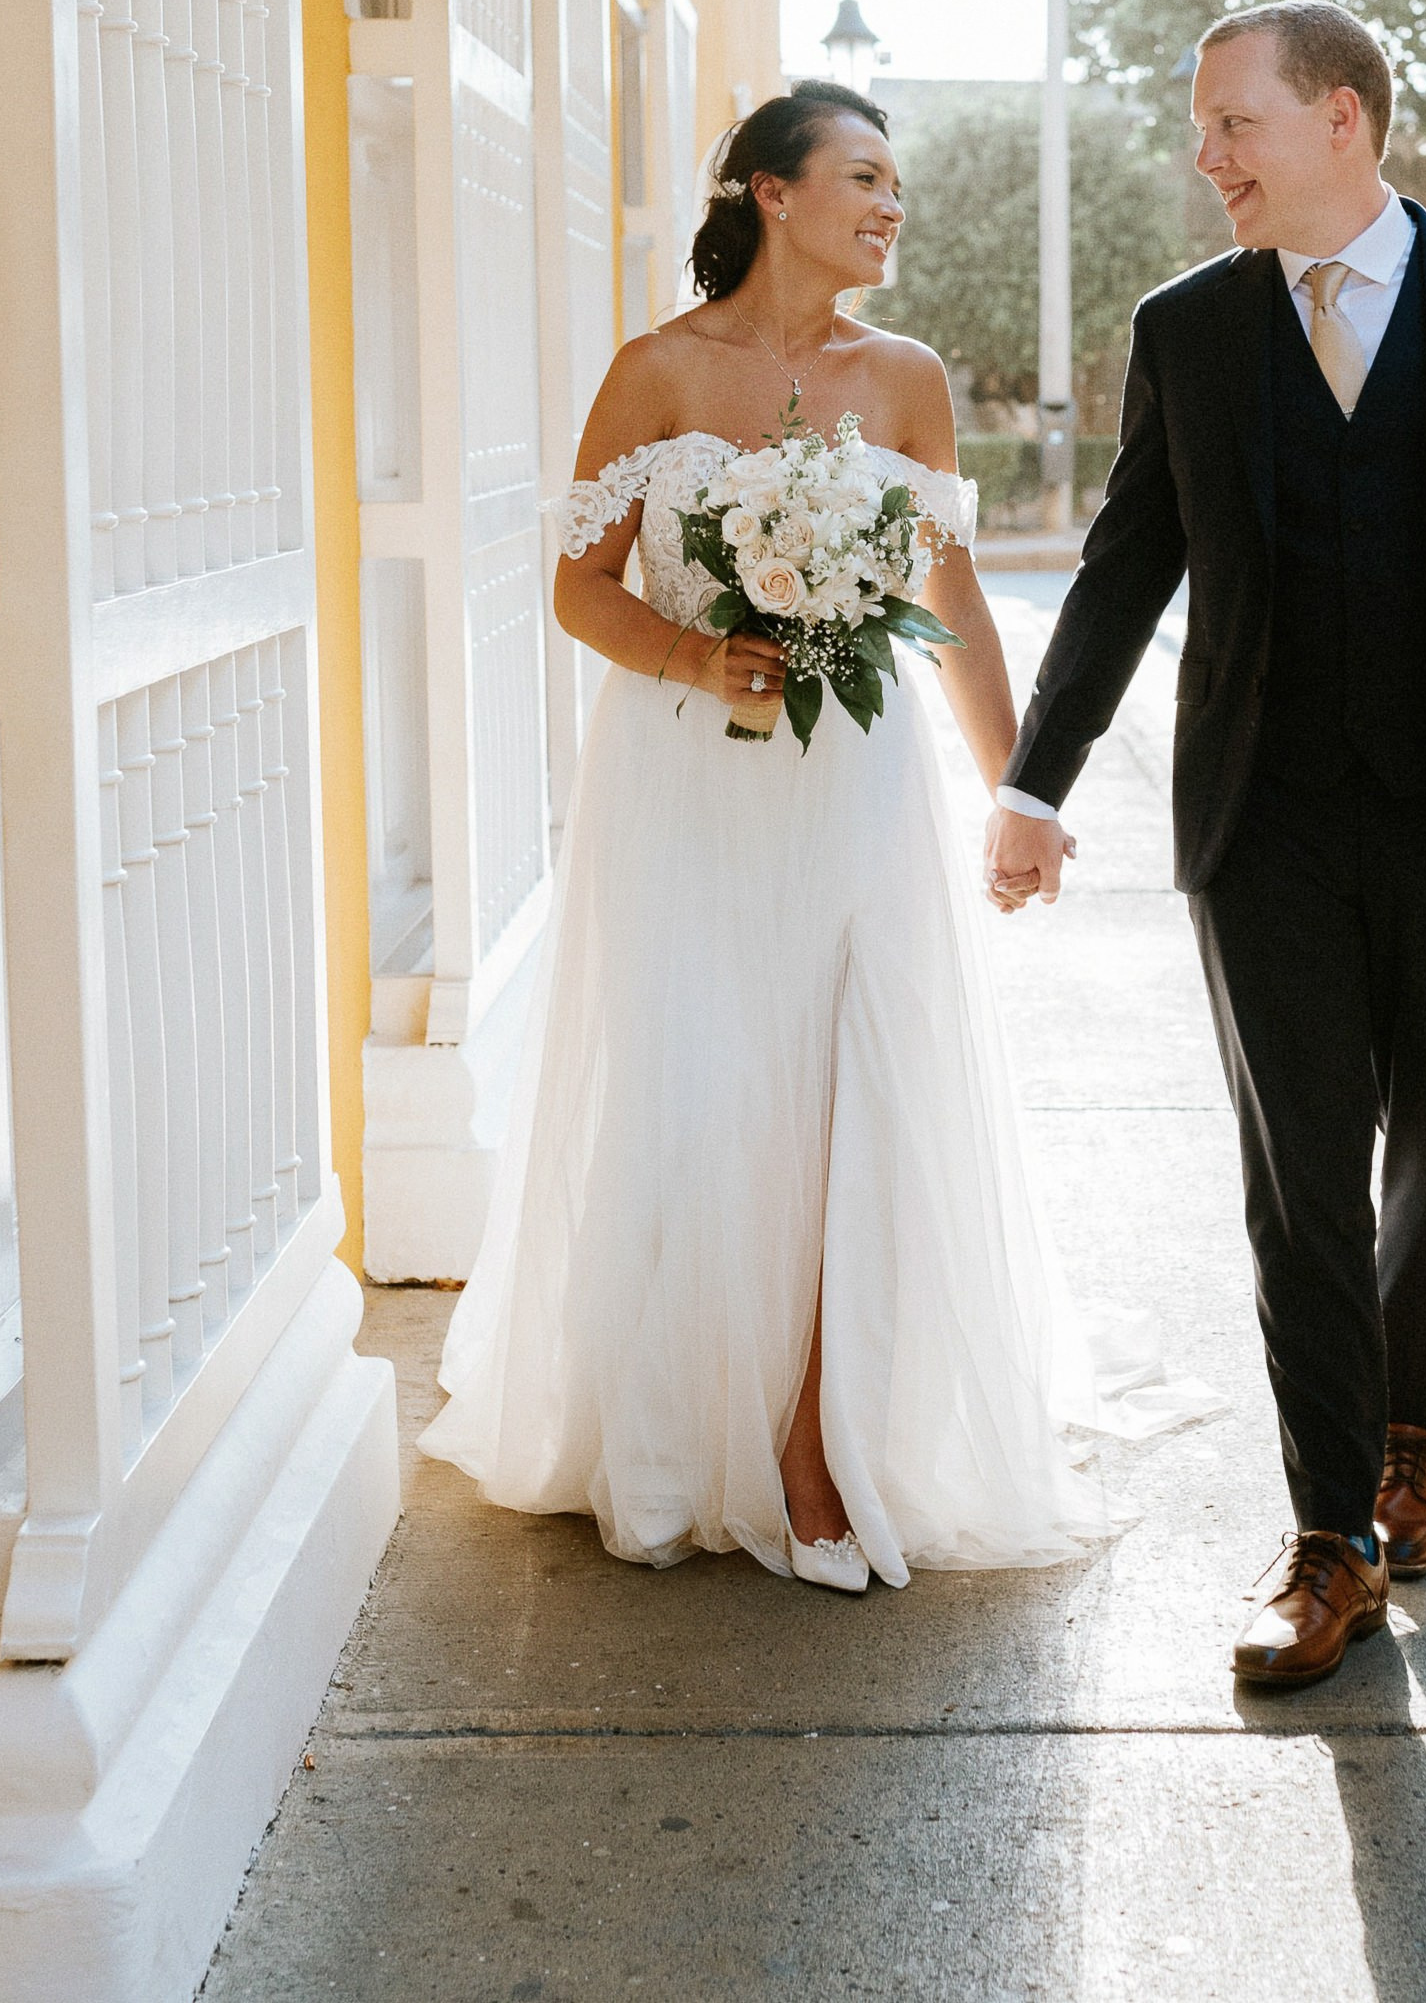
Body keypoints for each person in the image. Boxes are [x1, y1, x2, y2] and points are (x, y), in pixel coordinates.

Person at [421, 80, 1212, 1593]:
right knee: (707, 1084)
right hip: (687, 782)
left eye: (896, 183)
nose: (891, 207)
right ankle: (673, 1416)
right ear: (771, 196)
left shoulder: (906, 379)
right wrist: (690, 654)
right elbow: (580, 582)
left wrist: (1020, 792)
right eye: (864, 177)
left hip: (854, 781)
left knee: (858, 1090)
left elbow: (956, 599)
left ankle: (812, 1444)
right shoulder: (657, 374)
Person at [987, 1, 1426, 1686]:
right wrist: (1036, 780)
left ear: (1341, 119)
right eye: (1205, 129)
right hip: (1260, 816)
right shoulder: (1191, 329)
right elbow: (1129, 561)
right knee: (1300, 1172)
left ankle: (1410, 1436)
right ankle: (1329, 1543)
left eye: (1233, 124)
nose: (1207, 157)